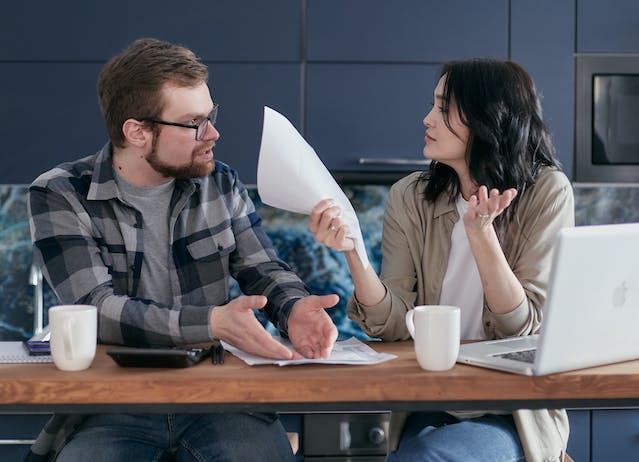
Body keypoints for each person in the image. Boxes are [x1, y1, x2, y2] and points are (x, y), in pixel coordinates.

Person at [27, 37, 339, 462]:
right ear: (138, 132)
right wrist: (213, 323)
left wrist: (294, 306)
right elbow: (95, 309)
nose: (214, 133)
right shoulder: (61, 193)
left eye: (211, 116)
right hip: (112, 404)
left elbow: (263, 268)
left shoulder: (219, 182)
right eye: (195, 123)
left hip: (220, 399)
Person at [309, 58, 574, 462]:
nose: (427, 118)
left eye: (443, 108)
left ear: (487, 118)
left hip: (511, 411)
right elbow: (395, 326)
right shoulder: (410, 196)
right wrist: (353, 253)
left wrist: (481, 235)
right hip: (431, 399)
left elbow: (523, 327)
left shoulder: (547, 193)